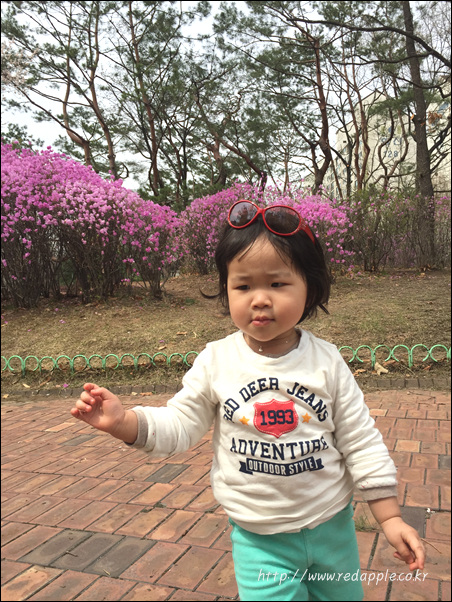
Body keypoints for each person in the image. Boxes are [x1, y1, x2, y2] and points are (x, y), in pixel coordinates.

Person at [71, 200, 425, 601]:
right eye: (243, 286)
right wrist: (125, 424)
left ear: (309, 287)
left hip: (331, 525)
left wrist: (389, 517)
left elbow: (360, 441)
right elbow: (181, 423)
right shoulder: (217, 361)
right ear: (226, 290)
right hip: (260, 539)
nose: (259, 299)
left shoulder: (326, 362)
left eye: (276, 284)